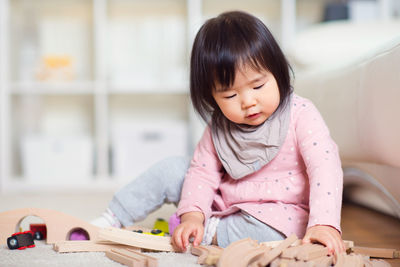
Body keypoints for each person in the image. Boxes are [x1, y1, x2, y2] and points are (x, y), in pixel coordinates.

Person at [92, 11, 345, 255]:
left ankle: (210, 231)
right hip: (222, 199)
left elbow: (325, 167)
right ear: (211, 98)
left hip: (280, 210)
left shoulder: (301, 114)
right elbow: (202, 174)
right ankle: (113, 217)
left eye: (258, 85)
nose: (248, 102)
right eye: (230, 95)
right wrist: (193, 214)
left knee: (285, 234)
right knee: (172, 169)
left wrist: (323, 223)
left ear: (277, 73)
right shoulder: (219, 126)